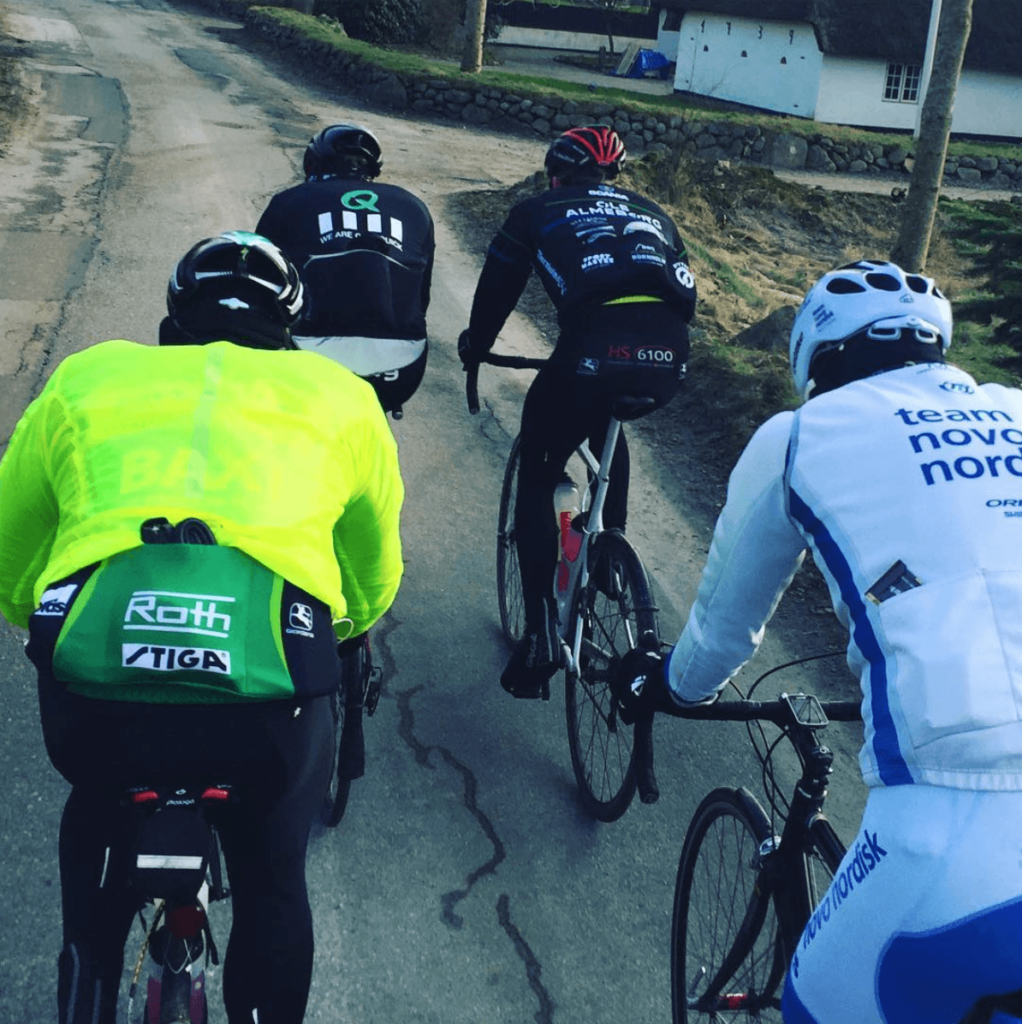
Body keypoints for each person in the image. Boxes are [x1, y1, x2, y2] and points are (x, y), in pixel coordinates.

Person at [0, 231, 404, 1024]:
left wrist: (33, 616)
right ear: (289, 333)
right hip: (268, 703)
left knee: (97, 804)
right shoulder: (341, 395)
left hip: (99, 695)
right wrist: (347, 622)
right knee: (273, 874)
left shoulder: (86, 376)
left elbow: (12, 548)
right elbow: (373, 572)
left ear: (170, 322)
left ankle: (87, 977)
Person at [617, 259, 1022, 1022]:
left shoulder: (799, 436)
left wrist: (672, 686)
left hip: (956, 826)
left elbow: (721, 635)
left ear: (817, 356)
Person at [459, 124, 696, 700]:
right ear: (614, 176)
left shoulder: (537, 210)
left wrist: (476, 346)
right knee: (608, 416)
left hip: (591, 349)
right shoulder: (654, 213)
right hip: (670, 357)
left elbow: (498, 289)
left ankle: (539, 632)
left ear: (555, 176)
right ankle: (611, 547)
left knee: (539, 474)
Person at [255, 122, 435, 419]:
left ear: (313, 162)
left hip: (308, 356)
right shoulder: (414, 206)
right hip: (402, 366)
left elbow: (262, 283)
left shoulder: (290, 201)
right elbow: (422, 296)